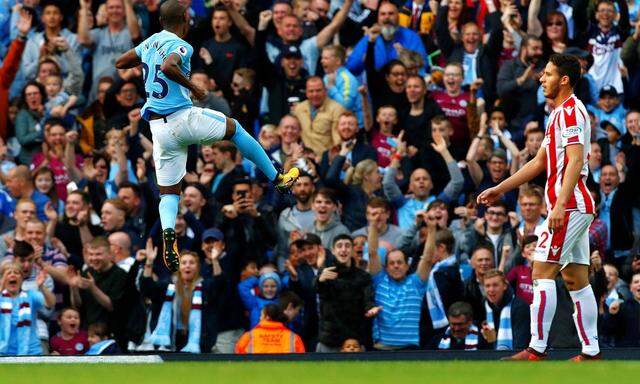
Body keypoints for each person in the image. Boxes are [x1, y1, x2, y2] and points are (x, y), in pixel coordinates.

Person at [114, 0, 300, 272]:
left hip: (159, 130)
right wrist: (196, 89)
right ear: (184, 21)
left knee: (169, 193)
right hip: (181, 117)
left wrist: (145, 54)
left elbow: (121, 62)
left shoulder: (151, 41)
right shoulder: (183, 45)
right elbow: (168, 66)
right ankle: (278, 178)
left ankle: (169, 236)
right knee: (234, 128)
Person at [478, 54, 601, 361]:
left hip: (569, 205)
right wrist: (500, 188)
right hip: (572, 205)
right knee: (575, 278)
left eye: (547, 74)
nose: (540, 78)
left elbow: (575, 160)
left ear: (563, 80)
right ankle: (591, 351)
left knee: (540, 270)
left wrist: (559, 206)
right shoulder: (557, 114)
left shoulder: (572, 112)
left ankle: (536, 349)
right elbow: (539, 162)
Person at [141, 246, 224, 353]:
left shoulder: (205, 287)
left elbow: (220, 285)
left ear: (197, 267)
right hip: (172, 337)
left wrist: (215, 261)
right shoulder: (168, 286)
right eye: (183, 263)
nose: (187, 266)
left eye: (191, 263)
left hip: (199, 339)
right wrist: (149, 261)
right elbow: (147, 289)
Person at [316, 234, 377, 352]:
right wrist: (320, 279)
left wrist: (371, 308)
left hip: (355, 342)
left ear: (353, 250)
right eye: (339, 246)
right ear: (333, 250)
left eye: (347, 246)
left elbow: (368, 300)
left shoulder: (363, 276)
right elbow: (319, 291)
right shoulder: (326, 273)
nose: (343, 249)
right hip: (330, 340)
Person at [0, 262, 54, 355]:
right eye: (8, 273)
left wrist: (41, 287)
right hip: (5, 352)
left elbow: (50, 303)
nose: (12, 275)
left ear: (21, 279)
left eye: (16, 273)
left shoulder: (31, 295)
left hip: (31, 351)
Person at [480, 269, 531, 351]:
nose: (491, 290)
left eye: (495, 285)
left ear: (505, 286)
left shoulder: (520, 307)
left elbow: (521, 343)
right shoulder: (485, 304)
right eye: (487, 286)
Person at [234, 304, 306, 354]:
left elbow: (238, 357)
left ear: (267, 317)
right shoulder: (293, 337)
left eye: (261, 315)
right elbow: (302, 359)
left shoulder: (248, 336)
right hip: (285, 374)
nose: (260, 318)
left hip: (255, 373)